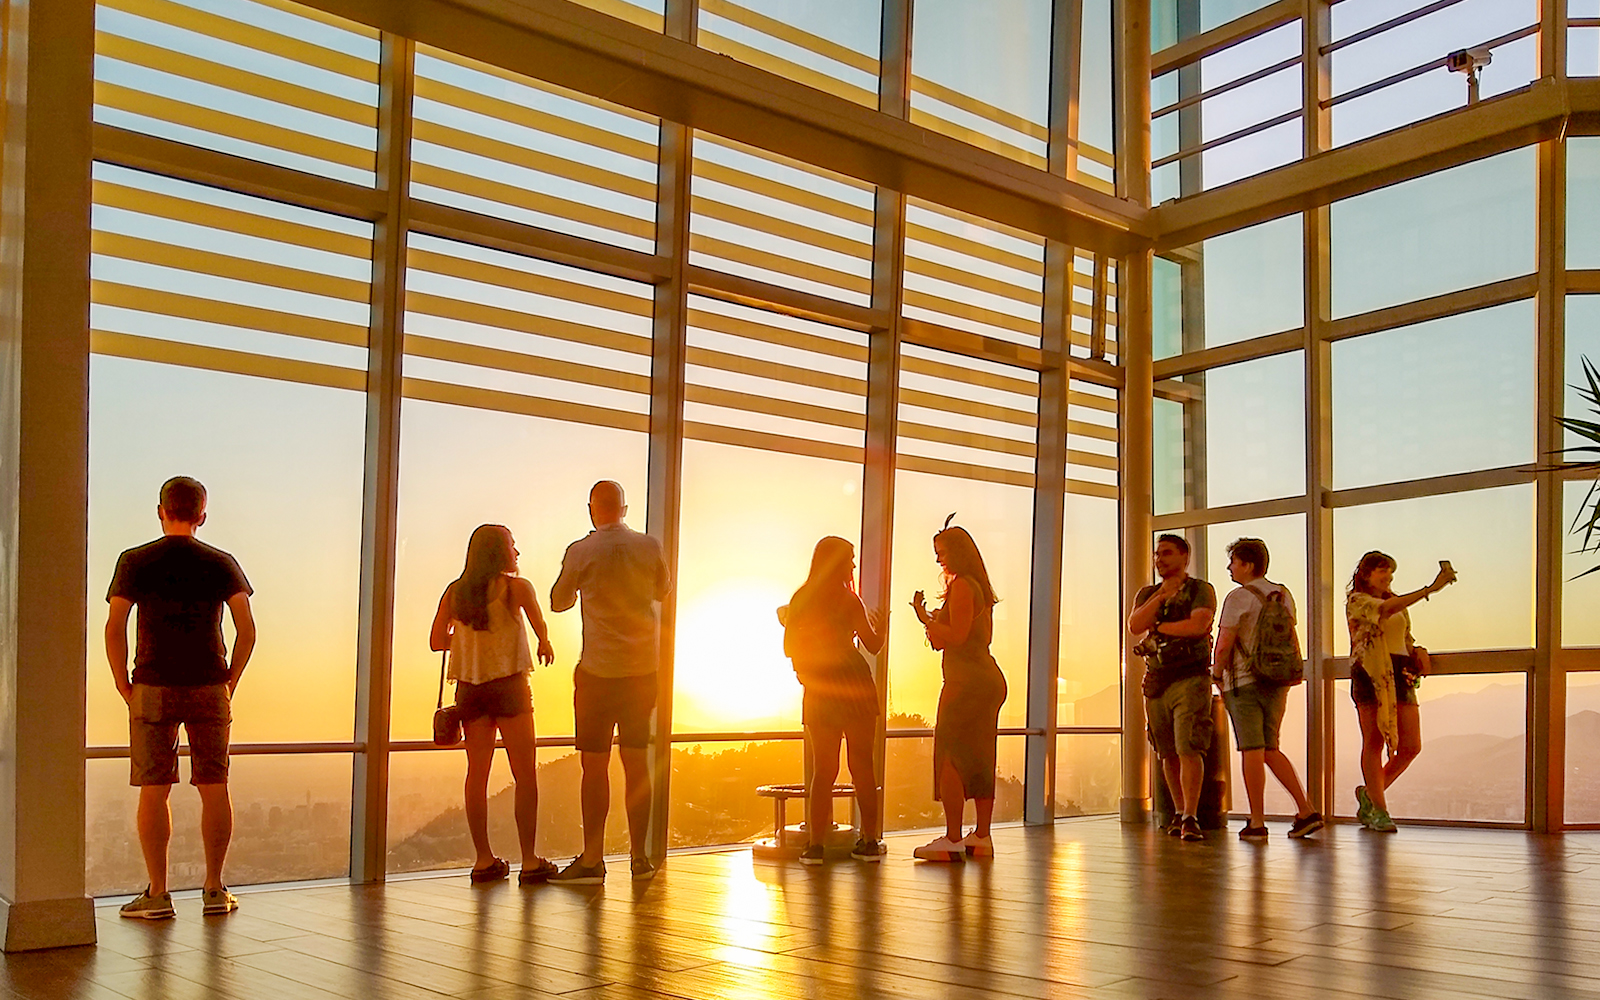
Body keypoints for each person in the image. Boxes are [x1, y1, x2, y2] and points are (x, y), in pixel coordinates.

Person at [105, 476, 255, 919]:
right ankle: (214, 889)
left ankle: (158, 893)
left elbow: (115, 627)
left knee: (154, 790)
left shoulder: (134, 560)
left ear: (161, 511)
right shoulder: (221, 563)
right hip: (209, 685)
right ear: (201, 516)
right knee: (215, 786)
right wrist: (230, 681)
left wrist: (123, 683)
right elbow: (247, 630)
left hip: (152, 685)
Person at [548, 481, 670, 884]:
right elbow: (662, 590)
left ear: (592, 510)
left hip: (598, 673)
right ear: (625, 509)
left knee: (594, 767)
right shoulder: (649, 546)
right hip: (641, 672)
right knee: (637, 766)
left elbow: (559, 601)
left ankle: (593, 859)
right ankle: (640, 857)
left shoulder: (581, 551)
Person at [429, 524, 557, 885]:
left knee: (477, 775)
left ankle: (483, 860)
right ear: (500, 552)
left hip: (471, 691)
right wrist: (543, 643)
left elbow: (437, 640)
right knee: (525, 774)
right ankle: (529, 860)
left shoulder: (455, 593)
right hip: (509, 687)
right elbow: (540, 627)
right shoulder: (517, 588)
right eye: (513, 545)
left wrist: (469, 640)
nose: (517, 552)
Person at [780, 537, 886, 865]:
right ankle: (870, 840)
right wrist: (881, 627)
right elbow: (872, 645)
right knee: (862, 766)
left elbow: (788, 647)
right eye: (850, 559)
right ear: (837, 562)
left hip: (820, 687)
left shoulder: (801, 598)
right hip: (855, 686)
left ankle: (815, 845)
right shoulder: (850, 601)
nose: (853, 565)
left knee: (823, 770)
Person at [1210, 538, 1322, 841]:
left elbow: (1225, 644)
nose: (1230, 568)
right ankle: (1306, 810)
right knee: (1270, 748)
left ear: (1247, 565)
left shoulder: (1238, 597)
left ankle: (1257, 822)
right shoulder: (1282, 594)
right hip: (1276, 681)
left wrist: (1217, 674)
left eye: (1234, 562)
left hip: (1244, 682)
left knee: (1251, 749)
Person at [910, 524, 1007, 862]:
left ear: (958, 552)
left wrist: (925, 619)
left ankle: (953, 837)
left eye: (942, 553)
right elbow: (953, 637)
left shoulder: (963, 585)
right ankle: (981, 835)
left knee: (949, 755)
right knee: (980, 756)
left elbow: (957, 636)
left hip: (966, 681)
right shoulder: (978, 588)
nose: (939, 560)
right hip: (985, 678)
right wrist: (932, 621)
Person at [1346, 551, 1456, 833]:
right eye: (1382, 571)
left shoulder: (1395, 602)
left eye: (1390, 572)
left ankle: (1371, 795)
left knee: (1411, 745)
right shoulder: (1358, 601)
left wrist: (1417, 651)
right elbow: (1384, 611)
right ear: (1366, 573)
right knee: (1373, 741)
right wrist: (1430, 589)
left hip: (1399, 672)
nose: (1388, 577)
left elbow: (1403, 636)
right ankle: (1380, 809)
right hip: (1371, 672)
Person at [1127, 533, 1216, 843]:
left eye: (1166, 553)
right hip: (1157, 679)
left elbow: (1198, 625)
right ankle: (1179, 812)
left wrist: (1160, 627)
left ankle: (1191, 815)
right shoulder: (1148, 593)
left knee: (1189, 746)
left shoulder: (1200, 590)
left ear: (1184, 557)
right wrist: (1161, 598)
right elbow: (1135, 624)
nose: (1159, 559)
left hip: (1190, 677)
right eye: (1157, 554)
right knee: (1167, 751)